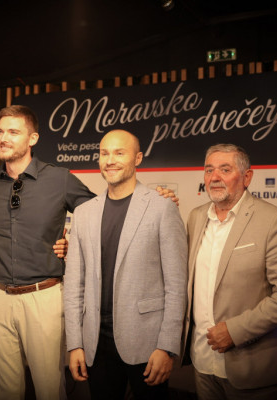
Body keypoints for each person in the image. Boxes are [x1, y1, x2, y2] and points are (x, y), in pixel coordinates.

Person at [0, 105, 178, 400]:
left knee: (49, 390)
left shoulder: (59, 179)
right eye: (0, 131)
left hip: (42, 296)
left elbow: (103, 215)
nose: (4, 138)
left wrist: (74, 244)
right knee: (5, 391)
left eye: (13, 132)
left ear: (32, 139)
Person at [63, 129, 188, 400]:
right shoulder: (83, 213)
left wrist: (167, 347)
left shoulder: (162, 207)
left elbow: (176, 285)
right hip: (96, 343)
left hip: (147, 342)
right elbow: (74, 285)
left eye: (119, 153)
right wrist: (75, 343)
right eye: (104, 153)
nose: (110, 160)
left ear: (138, 158)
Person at [180, 143, 277, 400]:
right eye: (209, 170)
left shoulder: (273, 220)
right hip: (202, 361)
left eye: (225, 169)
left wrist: (235, 331)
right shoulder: (195, 217)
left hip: (252, 366)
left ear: (247, 177)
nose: (214, 177)